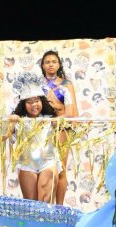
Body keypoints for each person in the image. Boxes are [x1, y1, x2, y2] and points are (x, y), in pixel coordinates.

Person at [0, 76, 60, 203]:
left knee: (45, 206)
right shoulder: (18, 120)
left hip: (48, 163)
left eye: (36, 101)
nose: (34, 105)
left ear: (42, 101)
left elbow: (72, 126)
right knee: (31, 207)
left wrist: (58, 123)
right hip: (27, 165)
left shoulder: (50, 119)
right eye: (29, 102)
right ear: (23, 104)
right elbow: (0, 138)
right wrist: (10, 123)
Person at [39, 50, 78, 205]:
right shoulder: (37, 84)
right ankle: (45, 206)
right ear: (42, 65)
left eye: (54, 62)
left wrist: (68, 123)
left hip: (62, 129)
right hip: (42, 130)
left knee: (60, 168)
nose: (50, 65)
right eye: (47, 62)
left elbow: (73, 112)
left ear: (59, 64)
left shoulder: (66, 84)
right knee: (44, 169)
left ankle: (59, 207)